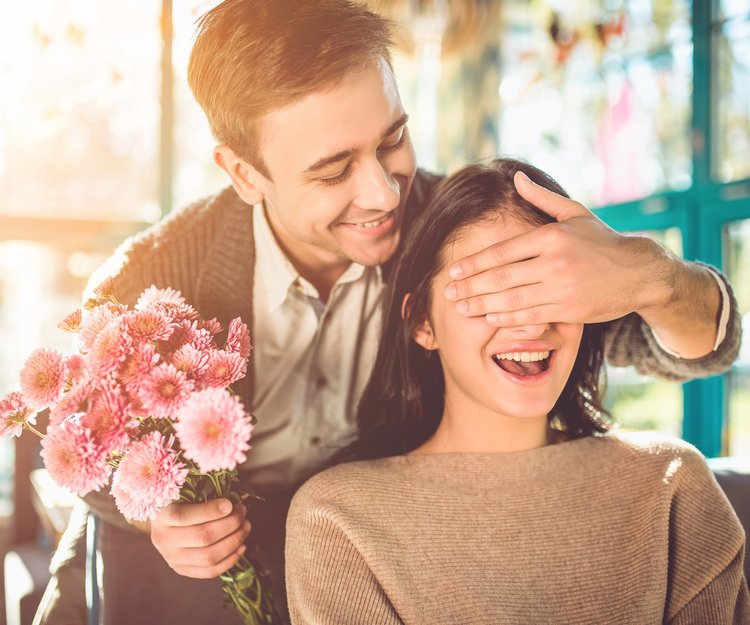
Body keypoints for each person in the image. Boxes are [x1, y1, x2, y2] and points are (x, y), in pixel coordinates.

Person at [35, 1, 741, 624]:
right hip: (171, 576)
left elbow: (690, 343)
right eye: (334, 169)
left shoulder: (455, 233)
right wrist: (154, 508)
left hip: (364, 560)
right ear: (244, 173)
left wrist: (653, 277)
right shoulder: (155, 277)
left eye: (392, 140)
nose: (383, 194)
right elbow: (75, 444)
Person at [284, 158, 750, 625]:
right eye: (495, 292)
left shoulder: (672, 484)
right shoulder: (338, 520)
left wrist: (651, 271)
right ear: (421, 322)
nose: (532, 322)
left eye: (548, 288)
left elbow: (712, 336)